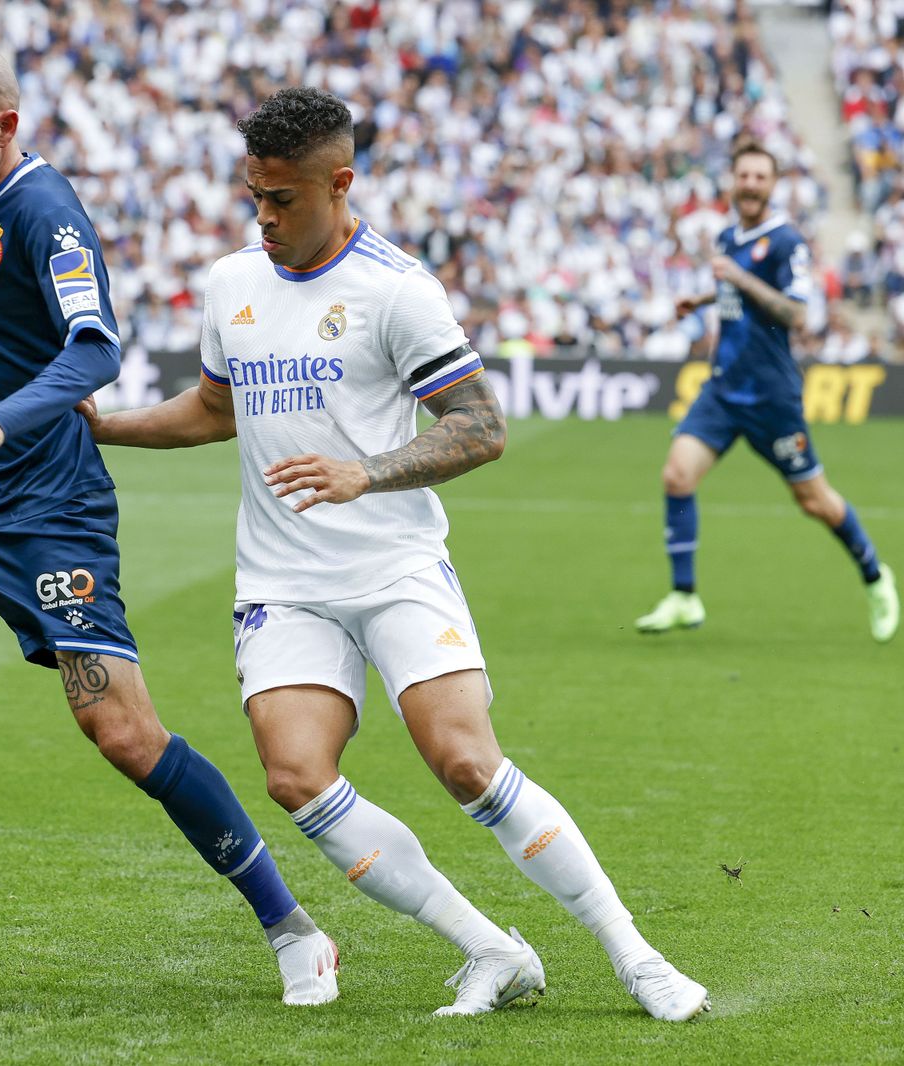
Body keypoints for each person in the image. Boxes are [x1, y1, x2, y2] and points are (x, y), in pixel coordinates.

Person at [81, 86, 709, 1021]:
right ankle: (491, 949)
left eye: (283, 198)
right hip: (284, 583)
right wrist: (106, 429)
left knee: (464, 761)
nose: (264, 217)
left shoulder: (397, 289)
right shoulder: (232, 284)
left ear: (340, 185)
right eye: (254, 195)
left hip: (395, 570)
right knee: (296, 775)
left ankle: (636, 955)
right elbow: (214, 411)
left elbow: (481, 427)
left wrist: (364, 473)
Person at [0, 43, 340, 1005]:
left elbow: (94, 350)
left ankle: (292, 928)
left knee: (121, 732)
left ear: (5, 126)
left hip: (48, 511)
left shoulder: (46, 209)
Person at [636, 142, 899, 642]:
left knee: (814, 500)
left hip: (771, 398)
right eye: (745, 175)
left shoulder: (785, 242)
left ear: (772, 185)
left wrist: (735, 277)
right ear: (732, 181)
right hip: (723, 388)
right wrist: (705, 296)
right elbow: (738, 285)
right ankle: (684, 597)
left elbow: (797, 314)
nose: (752, 184)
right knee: (677, 475)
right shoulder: (729, 236)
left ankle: (874, 575)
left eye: (761, 176)